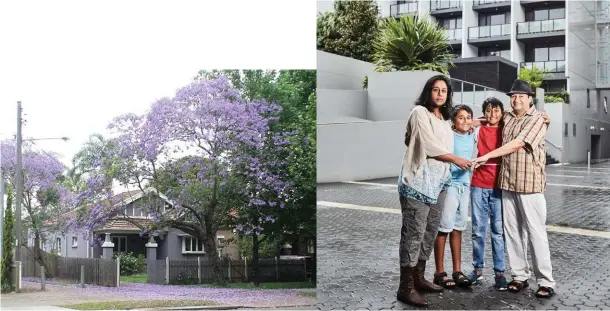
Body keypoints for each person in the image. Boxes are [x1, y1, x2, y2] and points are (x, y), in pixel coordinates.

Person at [473, 79, 556, 299]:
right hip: (507, 183)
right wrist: (463, 123)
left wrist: (488, 156)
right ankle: (519, 276)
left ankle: (546, 281)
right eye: (513, 96)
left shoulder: (537, 119)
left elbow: (519, 142)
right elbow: (489, 118)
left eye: (521, 96)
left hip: (529, 185)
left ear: (530, 99)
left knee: (535, 233)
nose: (516, 99)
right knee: (512, 232)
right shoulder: (508, 115)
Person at [397, 75, 471, 307]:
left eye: (444, 91)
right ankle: (405, 287)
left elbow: (411, 139)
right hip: (417, 183)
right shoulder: (420, 112)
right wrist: (456, 159)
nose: (440, 94)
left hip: (439, 184)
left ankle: (419, 278)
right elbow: (427, 145)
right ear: (428, 91)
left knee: (430, 232)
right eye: (436, 89)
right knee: (414, 234)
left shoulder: (444, 118)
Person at [432, 105, 475, 289]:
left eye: (468, 118)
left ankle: (457, 270)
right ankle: (439, 272)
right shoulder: (449, 135)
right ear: (453, 121)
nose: (465, 121)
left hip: (465, 187)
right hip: (450, 186)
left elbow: (484, 120)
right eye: (460, 118)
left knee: (458, 228)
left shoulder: (472, 134)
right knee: (444, 228)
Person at [468, 97, 508, 291]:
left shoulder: (507, 130)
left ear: (502, 112)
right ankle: (477, 270)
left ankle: (500, 272)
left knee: (498, 231)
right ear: (484, 113)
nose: (493, 115)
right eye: (489, 111)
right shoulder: (478, 130)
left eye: (496, 111)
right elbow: (466, 124)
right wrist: (478, 121)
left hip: (499, 186)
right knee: (478, 230)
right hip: (478, 184)